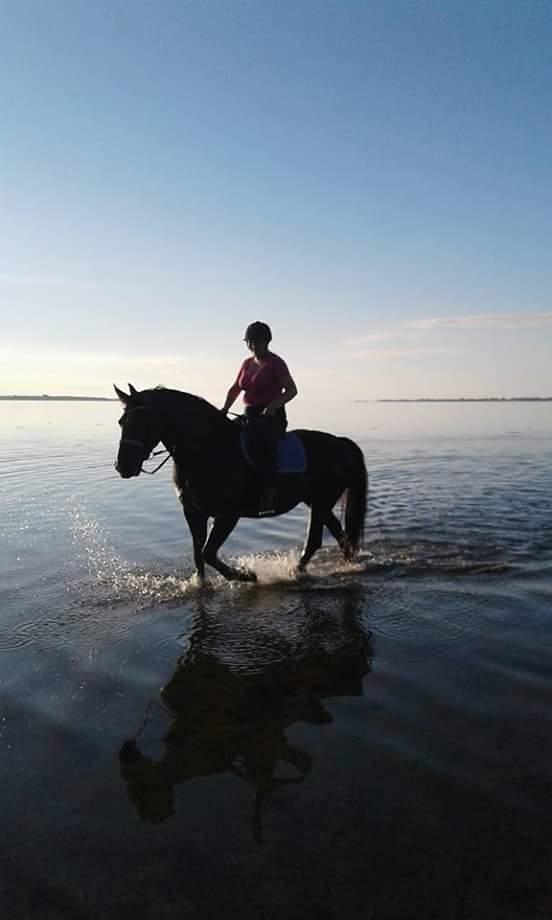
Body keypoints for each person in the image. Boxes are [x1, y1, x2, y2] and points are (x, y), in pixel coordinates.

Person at [221, 321, 298, 514]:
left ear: (267, 341)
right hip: (250, 415)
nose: (252, 345)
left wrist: (272, 406)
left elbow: (291, 390)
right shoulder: (246, 364)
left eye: (256, 341)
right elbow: (235, 388)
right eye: (249, 341)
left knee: (259, 446)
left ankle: (268, 494)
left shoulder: (275, 363)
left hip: (271, 416)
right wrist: (224, 409)